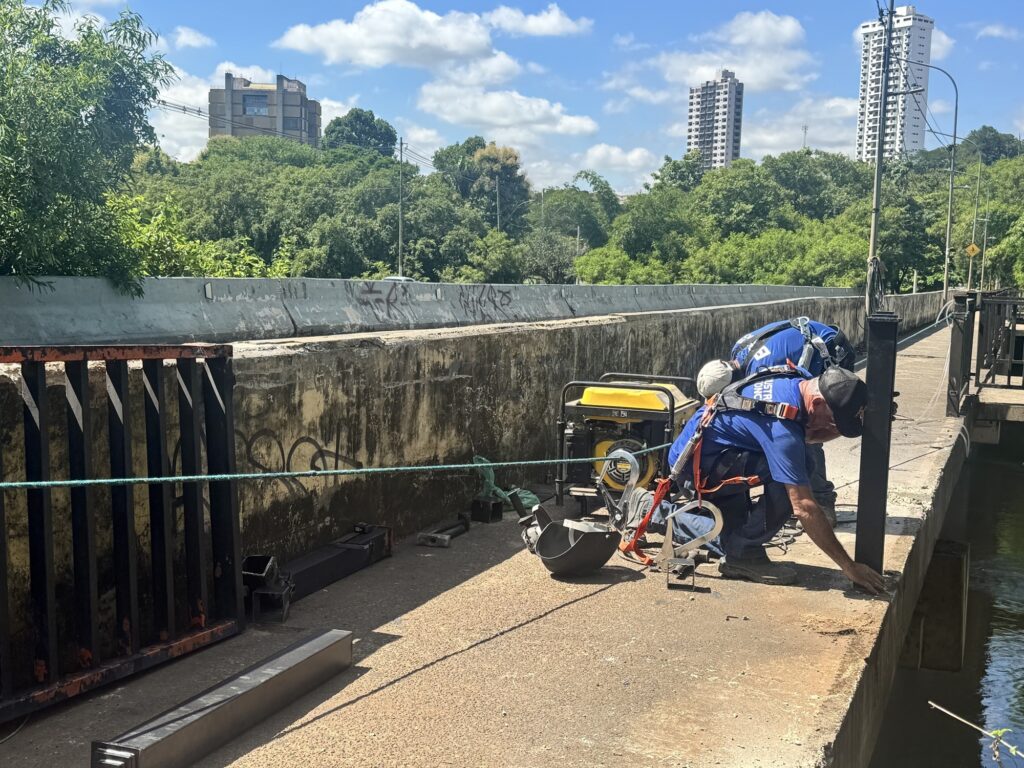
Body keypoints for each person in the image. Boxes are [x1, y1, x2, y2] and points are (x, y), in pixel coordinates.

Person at [630, 364, 885, 593]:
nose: (831, 430)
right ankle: (734, 548)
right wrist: (849, 567)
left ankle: (730, 541)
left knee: (729, 534)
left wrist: (845, 423)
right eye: (833, 423)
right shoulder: (781, 426)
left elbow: (808, 434)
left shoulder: (801, 381)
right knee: (799, 471)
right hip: (697, 470)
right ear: (817, 404)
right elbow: (804, 507)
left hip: (721, 453)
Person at [696, 318, 856, 526]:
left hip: (834, 356)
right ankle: (797, 497)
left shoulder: (762, 371)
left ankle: (822, 504)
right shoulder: (738, 350)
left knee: (803, 428)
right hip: (820, 345)